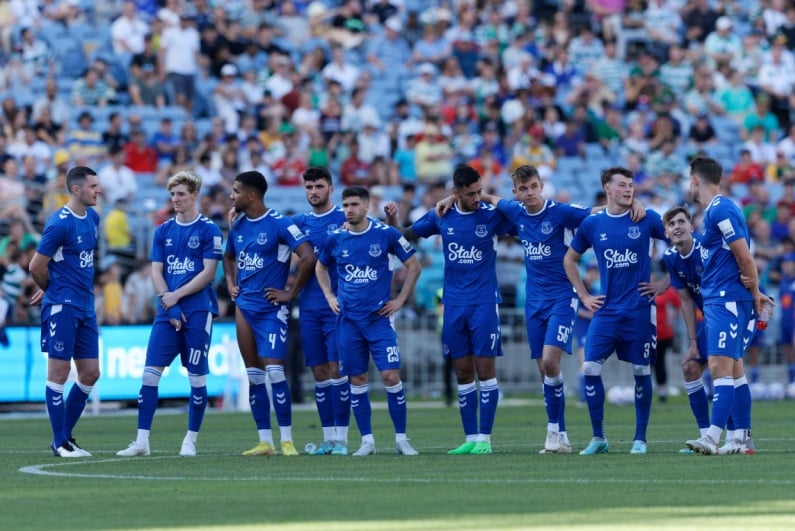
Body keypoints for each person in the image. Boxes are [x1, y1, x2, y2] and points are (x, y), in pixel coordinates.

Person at [389, 165, 514, 455]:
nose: (476, 198)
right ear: (455, 192)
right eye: (470, 193)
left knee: (485, 370)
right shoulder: (441, 216)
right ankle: (470, 436)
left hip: (484, 302)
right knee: (462, 373)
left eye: (479, 191)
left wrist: (489, 197)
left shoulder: (490, 214)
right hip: (454, 304)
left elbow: (523, 217)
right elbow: (404, 236)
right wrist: (392, 219)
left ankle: (485, 438)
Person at [116, 170, 223, 457]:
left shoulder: (209, 230)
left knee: (197, 378)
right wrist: (170, 302)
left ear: (195, 196)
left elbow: (208, 272)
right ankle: (141, 441)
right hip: (167, 310)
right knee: (150, 375)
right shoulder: (163, 230)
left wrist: (177, 296)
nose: (175, 199)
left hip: (199, 310)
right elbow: (156, 271)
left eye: (181, 194)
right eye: (172, 194)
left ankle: (190, 440)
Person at [563, 166, 667, 455]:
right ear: (607, 188)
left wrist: (665, 283)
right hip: (607, 309)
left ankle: (640, 438)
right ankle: (599, 438)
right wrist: (583, 295)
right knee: (590, 367)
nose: (628, 189)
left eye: (631, 185)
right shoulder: (593, 224)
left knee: (641, 369)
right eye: (622, 185)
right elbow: (569, 260)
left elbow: (680, 244)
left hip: (639, 309)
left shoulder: (646, 218)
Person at [315, 185, 422, 456]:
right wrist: (329, 295)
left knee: (390, 375)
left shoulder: (385, 234)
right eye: (345, 205)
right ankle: (367, 441)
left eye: (354, 205)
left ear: (366, 206)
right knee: (357, 379)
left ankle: (401, 439)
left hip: (379, 320)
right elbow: (320, 267)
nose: (349, 209)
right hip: (348, 321)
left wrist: (399, 301)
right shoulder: (335, 238)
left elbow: (414, 265)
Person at [223, 170, 316, 457]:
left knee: (275, 372)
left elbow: (309, 256)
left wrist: (290, 293)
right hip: (245, 308)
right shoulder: (237, 225)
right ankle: (265, 441)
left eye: (236, 191)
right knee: (254, 376)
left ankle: (287, 440)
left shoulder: (280, 224)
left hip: (271, 310)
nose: (231, 195)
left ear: (251, 195)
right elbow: (228, 257)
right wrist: (231, 284)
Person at [685, 156, 770, 455]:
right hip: (724, 297)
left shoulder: (720, 209)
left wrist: (756, 292)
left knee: (718, 365)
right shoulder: (719, 209)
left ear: (695, 179)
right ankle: (739, 439)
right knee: (734, 369)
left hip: (727, 299)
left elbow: (745, 256)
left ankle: (711, 437)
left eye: (689, 179)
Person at [28, 166, 101, 457]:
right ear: (76, 189)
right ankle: (60, 443)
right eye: (93, 186)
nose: (98, 190)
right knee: (59, 373)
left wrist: (53, 283)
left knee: (91, 373)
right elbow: (35, 266)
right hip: (63, 306)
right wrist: (52, 288)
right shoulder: (60, 223)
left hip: (86, 305)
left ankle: (64, 437)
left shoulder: (93, 218)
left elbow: (72, 262)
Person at [290, 167, 351, 455]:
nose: (313, 192)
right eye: (309, 187)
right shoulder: (298, 223)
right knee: (319, 372)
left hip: (338, 306)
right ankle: (328, 439)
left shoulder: (345, 217)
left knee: (338, 370)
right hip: (309, 307)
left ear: (330, 188)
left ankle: (343, 438)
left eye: (318, 186)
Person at [658, 206, 713, 452]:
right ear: (667, 232)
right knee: (690, 367)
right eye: (671, 224)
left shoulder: (707, 250)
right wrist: (692, 342)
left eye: (682, 221)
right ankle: (705, 436)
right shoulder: (670, 258)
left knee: (723, 369)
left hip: (733, 311)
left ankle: (738, 437)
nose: (677, 226)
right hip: (710, 318)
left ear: (692, 226)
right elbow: (687, 301)